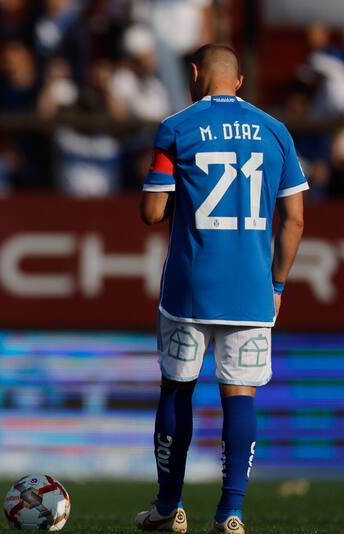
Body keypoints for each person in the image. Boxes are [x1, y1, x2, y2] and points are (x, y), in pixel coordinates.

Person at [134, 44, 307, 534]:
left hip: (190, 287)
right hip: (252, 290)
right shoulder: (276, 132)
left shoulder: (177, 128)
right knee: (240, 397)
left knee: (177, 390)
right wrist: (277, 282)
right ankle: (230, 513)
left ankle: (168, 508)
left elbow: (150, 213)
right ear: (240, 80)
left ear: (194, 74)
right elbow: (294, 220)